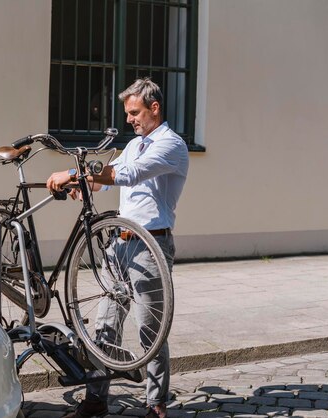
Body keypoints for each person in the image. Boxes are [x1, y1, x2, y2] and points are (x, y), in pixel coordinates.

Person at [46, 78, 189, 418]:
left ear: (155, 108)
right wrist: (83, 184)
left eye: (134, 112)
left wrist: (70, 171)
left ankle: (155, 404)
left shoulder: (171, 144)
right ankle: (96, 399)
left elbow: (130, 174)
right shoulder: (135, 144)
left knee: (149, 331)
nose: (129, 119)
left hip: (150, 246)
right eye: (128, 113)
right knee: (104, 326)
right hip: (118, 246)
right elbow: (111, 177)